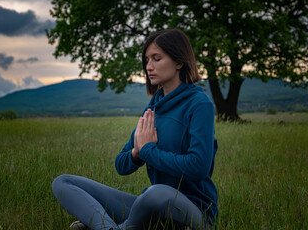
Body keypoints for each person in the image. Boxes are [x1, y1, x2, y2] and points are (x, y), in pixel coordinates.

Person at [52, 29, 218, 230]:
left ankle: (104, 225)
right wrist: (137, 153)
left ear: (179, 62)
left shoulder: (199, 104)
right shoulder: (153, 107)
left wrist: (149, 150)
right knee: (63, 183)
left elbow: (198, 167)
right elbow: (121, 165)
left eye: (157, 59)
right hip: (149, 206)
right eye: (146, 60)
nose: (149, 66)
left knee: (156, 193)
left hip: (193, 211)